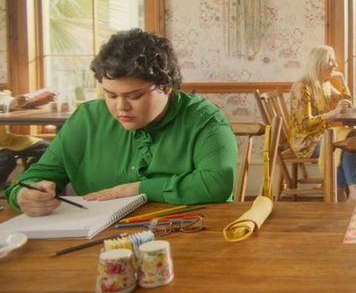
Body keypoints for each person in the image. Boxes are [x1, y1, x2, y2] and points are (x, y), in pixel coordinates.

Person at [4, 29, 238, 216]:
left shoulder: (204, 120)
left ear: (166, 86)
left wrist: (136, 189)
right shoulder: (86, 120)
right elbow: (29, 181)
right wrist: (24, 195)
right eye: (111, 95)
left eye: (134, 96)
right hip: (99, 244)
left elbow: (217, 183)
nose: (121, 107)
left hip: (193, 237)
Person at [288, 45, 356, 202]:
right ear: (318, 63)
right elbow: (305, 123)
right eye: (330, 60)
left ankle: (343, 191)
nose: (335, 65)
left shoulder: (324, 84)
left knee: (350, 138)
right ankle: (350, 190)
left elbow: (346, 103)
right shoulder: (302, 87)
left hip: (323, 136)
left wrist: (342, 80)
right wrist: (334, 113)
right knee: (343, 144)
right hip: (306, 141)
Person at [0, 89, 58, 189]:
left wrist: (29, 101)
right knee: (6, 158)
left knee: (50, 150)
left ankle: (26, 182)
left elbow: (6, 102)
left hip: (7, 140)